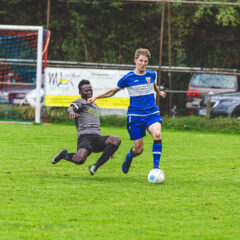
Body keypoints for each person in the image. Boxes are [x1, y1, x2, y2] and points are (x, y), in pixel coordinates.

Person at [88, 48, 166, 174]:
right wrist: (96, 97)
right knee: (139, 149)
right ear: (135, 60)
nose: (143, 63)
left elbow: (154, 85)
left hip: (151, 113)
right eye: (140, 60)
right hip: (135, 116)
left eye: (145, 61)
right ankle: (129, 156)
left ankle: (156, 168)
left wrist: (159, 92)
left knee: (157, 134)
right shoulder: (128, 78)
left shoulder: (151, 75)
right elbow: (112, 92)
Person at [52, 79, 121, 176]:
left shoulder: (94, 105)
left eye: (90, 90)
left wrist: (109, 149)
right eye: (86, 90)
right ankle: (63, 155)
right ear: (80, 92)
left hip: (97, 138)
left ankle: (95, 166)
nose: (89, 92)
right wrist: (71, 112)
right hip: (85, 137)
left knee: (115, 140)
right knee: (79, 160)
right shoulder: (81, 101)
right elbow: (71, 107)